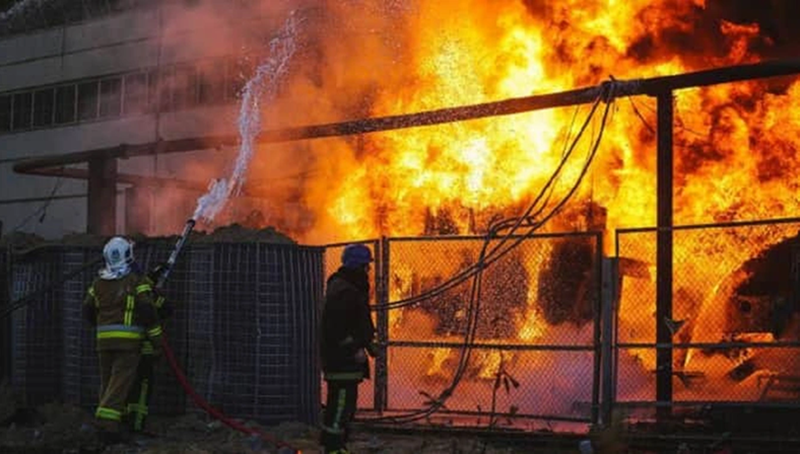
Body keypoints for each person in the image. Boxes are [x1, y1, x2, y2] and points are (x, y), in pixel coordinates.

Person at [82, 237, 164, 442]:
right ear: (128, 255)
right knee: (120, 383)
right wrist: (157, 341)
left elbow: (87, 309)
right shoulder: (136, 281)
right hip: (128, 343)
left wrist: (102, 327)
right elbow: (148, 312)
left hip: (103, 342)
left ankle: (111, 422)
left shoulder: (98, 282)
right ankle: (106, 425)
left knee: (108, 383)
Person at [319, 244, 378, 454]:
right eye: (366, 266)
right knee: (340, 407)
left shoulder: (349, 287)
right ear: (358, 266)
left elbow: (357, 323)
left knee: (345, 407)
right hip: (341, 362)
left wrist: (369, 345)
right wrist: (354, 348)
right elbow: (335, 330)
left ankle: (338, 444)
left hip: (345, 362)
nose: (368, 271)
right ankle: (333, 449)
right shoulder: (345, 290)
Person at [125, 262, 173, 434]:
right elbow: (165, 310)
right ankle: (136, 427)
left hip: (121, 350)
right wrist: (156, 293)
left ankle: (123, 425)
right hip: (143, 350)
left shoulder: (115, 289)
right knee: (142, 388)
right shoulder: (145, 295)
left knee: (124, 387)